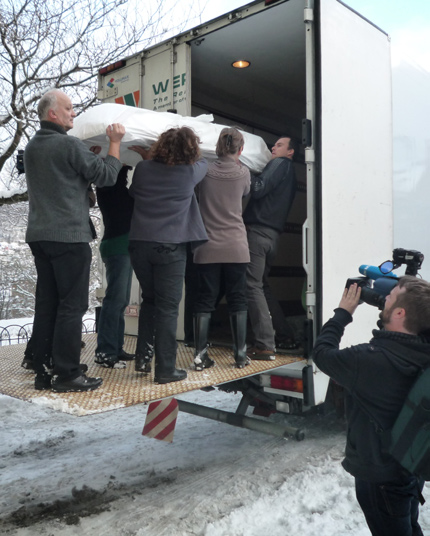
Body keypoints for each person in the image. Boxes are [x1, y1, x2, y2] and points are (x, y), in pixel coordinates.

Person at [24, 88, 125, 392]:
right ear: (52, 113)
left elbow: (64, 184)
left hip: (40, 236)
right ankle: (67, 374)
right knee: (73, 304)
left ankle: (43, 367)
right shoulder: (68, 145)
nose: (74, 113)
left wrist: (83, 171)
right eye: (68, 108)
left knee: (48, 303)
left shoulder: (32, 147)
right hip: (69, 237)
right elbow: (107, 175)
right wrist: (115, 144)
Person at [313, 276, 430, 536]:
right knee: (409, 525)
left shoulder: (366, 360)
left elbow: (322, 353)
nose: (383, 298)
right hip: (411, 464)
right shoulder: (422, 349)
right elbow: (399, 330)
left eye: (390, 296)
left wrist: (343, 313)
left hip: (380, 478)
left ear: (400, 312)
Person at [128, 127, 208, 384]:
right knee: (167, 308)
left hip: (140, 245)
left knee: (149, 300)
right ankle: (165, 369)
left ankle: (143, 358)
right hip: (170, 248)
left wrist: (149, 157)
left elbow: (137, 189)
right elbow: (205, 162)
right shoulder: (190, 172)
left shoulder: (143, 169)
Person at [193, 127, 251, 369]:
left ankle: (200, 355)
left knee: (205, 299)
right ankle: (240, 355)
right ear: (240, 149)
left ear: (217, 146)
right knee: (238, 298)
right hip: (236, 246)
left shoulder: (203, 170)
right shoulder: (243, 173)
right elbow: (246, 192)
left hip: (207, 246)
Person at [243, 136, 298, 360]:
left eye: (279, 145)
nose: (273, 147)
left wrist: (242, 167)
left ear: (290, 152)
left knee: (251, 285)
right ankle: (285, 335)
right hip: (271, 237)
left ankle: (265, 344)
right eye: (273, 145)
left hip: (257, 233)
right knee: (261, 286)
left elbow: (258, 189)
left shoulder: (279, 164)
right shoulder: (290, 174)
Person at [94, 164, 135, 369]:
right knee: (115, 300)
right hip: (118, 246)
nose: (126, 177)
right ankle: (106, 350)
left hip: (120, 246)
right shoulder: (110, 188)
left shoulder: (109, 188)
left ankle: (115, 348)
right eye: (124, 174)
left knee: (120, 300)